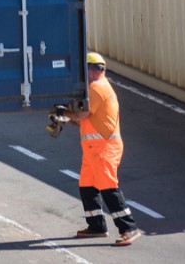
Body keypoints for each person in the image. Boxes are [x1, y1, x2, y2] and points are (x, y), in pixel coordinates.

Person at [66, 52, 142, 246]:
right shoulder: (101, 86)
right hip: (94, 149)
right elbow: (86, 119)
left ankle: (129, 228)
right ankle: (97, 226)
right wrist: (67, 118)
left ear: (90, 71)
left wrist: (63, 113)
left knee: (109, 187)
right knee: (87, 185)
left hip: (103, 149)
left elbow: (81, 115)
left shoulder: (96, 88)